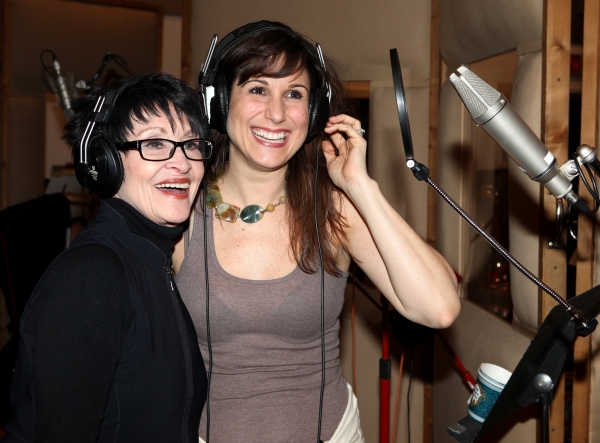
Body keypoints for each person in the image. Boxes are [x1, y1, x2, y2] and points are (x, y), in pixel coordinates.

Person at [174, 21, 460, 443]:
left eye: (294, 94)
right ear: (218, 101)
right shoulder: (180, 213)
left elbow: (438, 309)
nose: (276, 113)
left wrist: (360, 187)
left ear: (314, 113)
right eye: (257, 89)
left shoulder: (333, 210)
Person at [4, 73, 210, 443]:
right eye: (155, 143)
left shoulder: (151, 259)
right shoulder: (92, 276)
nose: (182, 164)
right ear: (105, 160)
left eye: (192, 144)